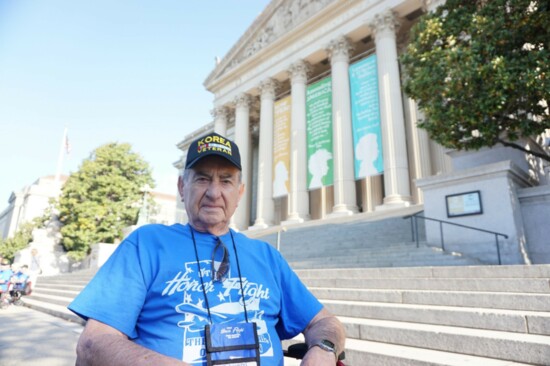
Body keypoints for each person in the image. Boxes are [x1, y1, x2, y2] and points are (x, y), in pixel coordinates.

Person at [69, 132, 346, 366]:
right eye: (202, 179)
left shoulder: (267, 256)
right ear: (182, 186)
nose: (214, 192)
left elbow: (324, 322)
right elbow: (93, 342)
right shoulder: (147, 244)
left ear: (239, 193)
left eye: (226, 181)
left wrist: (323, 348)